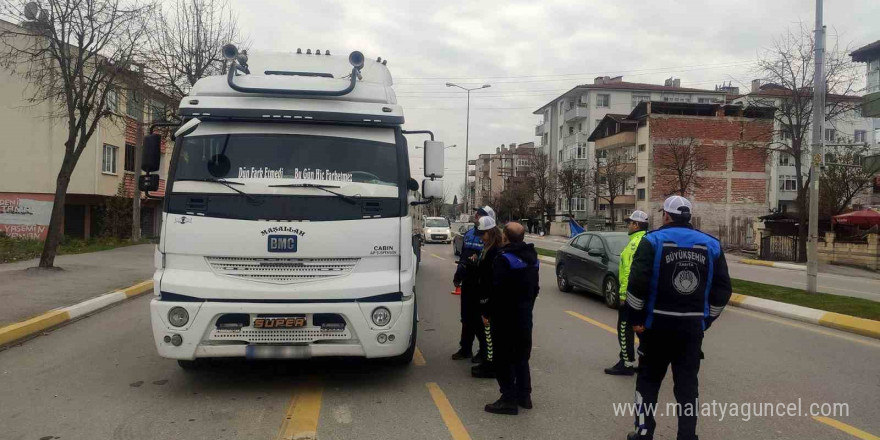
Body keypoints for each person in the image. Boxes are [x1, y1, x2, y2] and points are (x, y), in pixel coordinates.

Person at [624, 196, 732, 440]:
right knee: (687, 387)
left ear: (666, 215)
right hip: (691, 331)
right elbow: (723, 291)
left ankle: (643, 433)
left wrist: (637, 320)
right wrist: (705, 321)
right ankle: (687, 436)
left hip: (655, 328)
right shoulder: (712, 245)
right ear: (689, 216)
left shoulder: (652, 241)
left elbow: (636, 285)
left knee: (648, 383)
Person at [482, 222, 540, 415]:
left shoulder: (503, 259)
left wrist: (487, 313)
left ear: (505, 237)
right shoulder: (533, 259)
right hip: (525, 316)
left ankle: (508, 399)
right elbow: (535, 289)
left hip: (505, 318)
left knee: (503, 359)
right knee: (522, 357)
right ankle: (525, 396)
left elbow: (496, 291)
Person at [604, 210, 649, 376]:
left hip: (630, 296)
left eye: (629, 222)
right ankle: (645, 362)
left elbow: (631, 273)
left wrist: (623, 297)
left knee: (624, 329)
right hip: (644, 297)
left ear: (636, 225)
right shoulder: (647, 240)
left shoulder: (634, 244)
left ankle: (626, 363)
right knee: (643, 330)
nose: (627, 225)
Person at [452, 205, 496, 362]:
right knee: (466, 317)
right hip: (468, 281)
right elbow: (463, 256)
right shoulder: (470, 233)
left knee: (478, 319)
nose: (477, 216)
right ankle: (465, 348)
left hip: (480, 283)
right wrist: (458, 275)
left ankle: (484, 351)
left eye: (481, 215)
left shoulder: (491, 237)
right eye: (477, 214)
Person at [471, 215, 503, 379]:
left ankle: (491, 367)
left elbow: (491, 280)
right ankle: (486, 360)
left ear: (490, 233)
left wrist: (487, 306)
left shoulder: (495, 251)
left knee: (489, 335)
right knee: (485, 333)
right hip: (483, 296)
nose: (481, 238)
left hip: (489, 299)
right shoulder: (487, 248)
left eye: (483, 234)